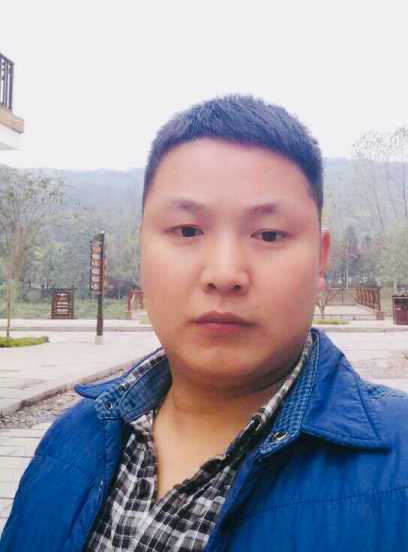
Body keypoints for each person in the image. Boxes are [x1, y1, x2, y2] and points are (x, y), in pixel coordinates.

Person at [2, 94, 408, 552]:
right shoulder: (71, 439)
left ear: (321, 257)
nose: (225, 274)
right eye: (188, 231)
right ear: (142, 249)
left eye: (268, 235)